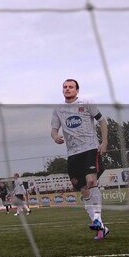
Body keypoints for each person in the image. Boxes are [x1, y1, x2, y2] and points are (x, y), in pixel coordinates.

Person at [50, 78, 109, 238]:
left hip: (90, 148)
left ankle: (97, 219)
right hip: (73, 153)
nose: (67, 89)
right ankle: (100, 226)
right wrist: (55, 137)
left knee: (91, 181)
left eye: (71, 87)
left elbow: (102, 122)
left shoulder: (87, 102)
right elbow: (54, 130)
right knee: (83, 190)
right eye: (65, 87)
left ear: (77, 90)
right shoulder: (58, 109)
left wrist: (104, 142)